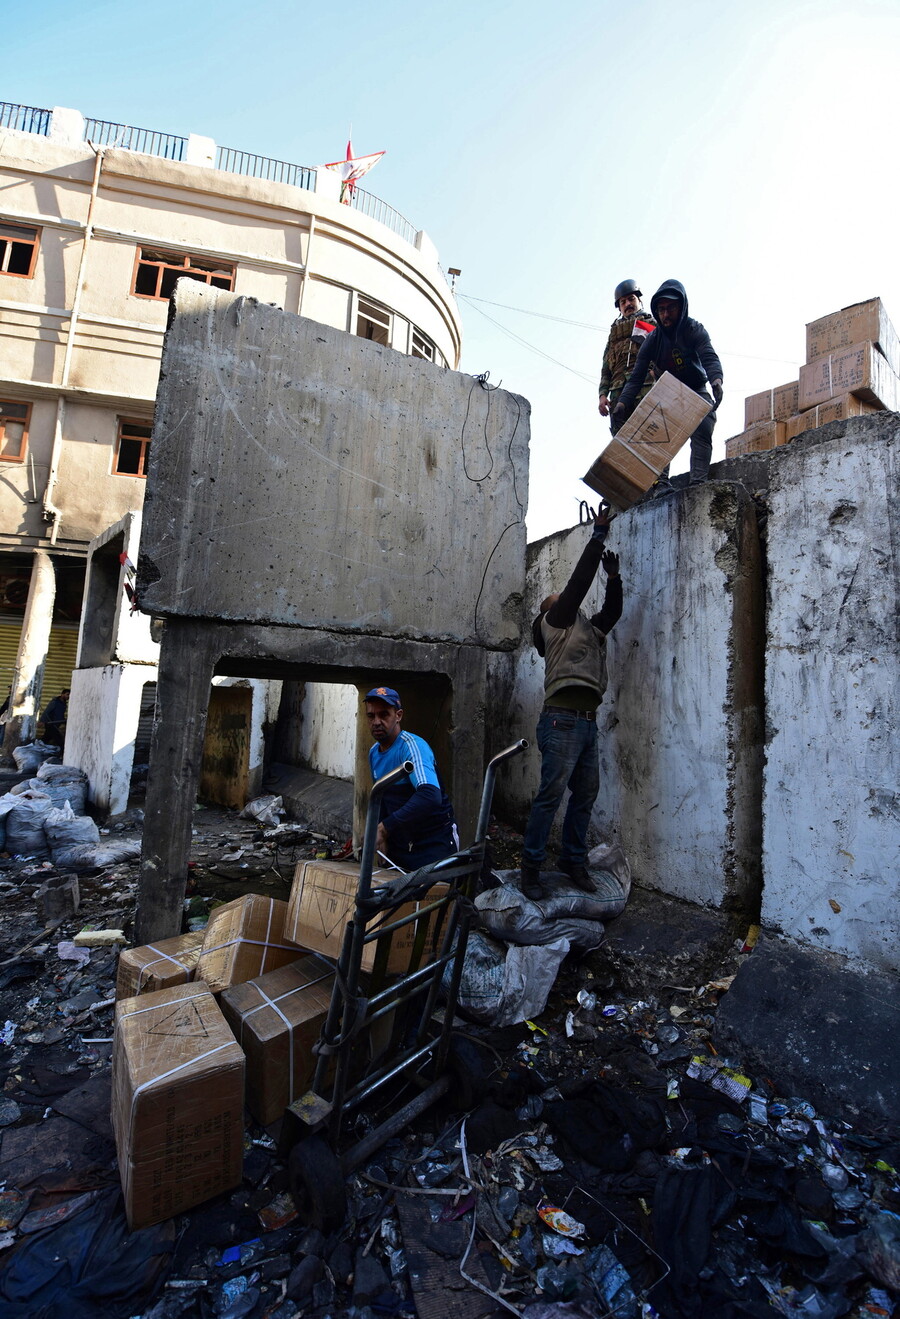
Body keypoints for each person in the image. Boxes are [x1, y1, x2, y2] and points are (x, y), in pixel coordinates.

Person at [520, 510, 622, 899]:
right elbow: (577, 586)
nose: (563, 597)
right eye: (556, 598)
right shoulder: (556, 623)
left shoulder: (587, 628)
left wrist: (613, 578)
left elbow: (611, 613)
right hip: (561, 722)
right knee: (550, 796)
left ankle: (572, 861)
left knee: (585, 795)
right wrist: (597, 536)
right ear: (548, 610)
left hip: (586, 723)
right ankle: (531, 869)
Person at [613, 278, 723, 487]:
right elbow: (636, 377)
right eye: (661, 310)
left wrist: (716, 380)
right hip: (668, 391)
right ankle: (661, 484)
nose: (665, 314)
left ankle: (698, 481)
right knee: (657, 431)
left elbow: (709, 356)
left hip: (695, 388)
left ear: (681, 307)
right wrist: (622, 404)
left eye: (670, 308)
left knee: (705, 424)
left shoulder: (694, 329)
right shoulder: (653, 340)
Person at [364, 686, 458, 871]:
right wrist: (380, 834)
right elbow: (380, 798)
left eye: (384, 715)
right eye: (371, 716)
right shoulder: (373, 753)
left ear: (398, 715)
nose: (376, 722)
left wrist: (384, 828)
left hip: (433, 841)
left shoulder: (412, 747)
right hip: (401, 842)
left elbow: (430, 795)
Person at [598, 279, 656, 433]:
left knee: (650, 438)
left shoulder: (651, 324)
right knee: (621, 443)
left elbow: (664, 354)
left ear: (639, 300)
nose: (627, 304)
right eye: (623, 302)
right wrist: (603, 395)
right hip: (618, 392)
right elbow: (606, 367)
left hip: (645, 388)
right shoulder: (614, 334)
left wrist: (655, 373)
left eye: (631, 299)